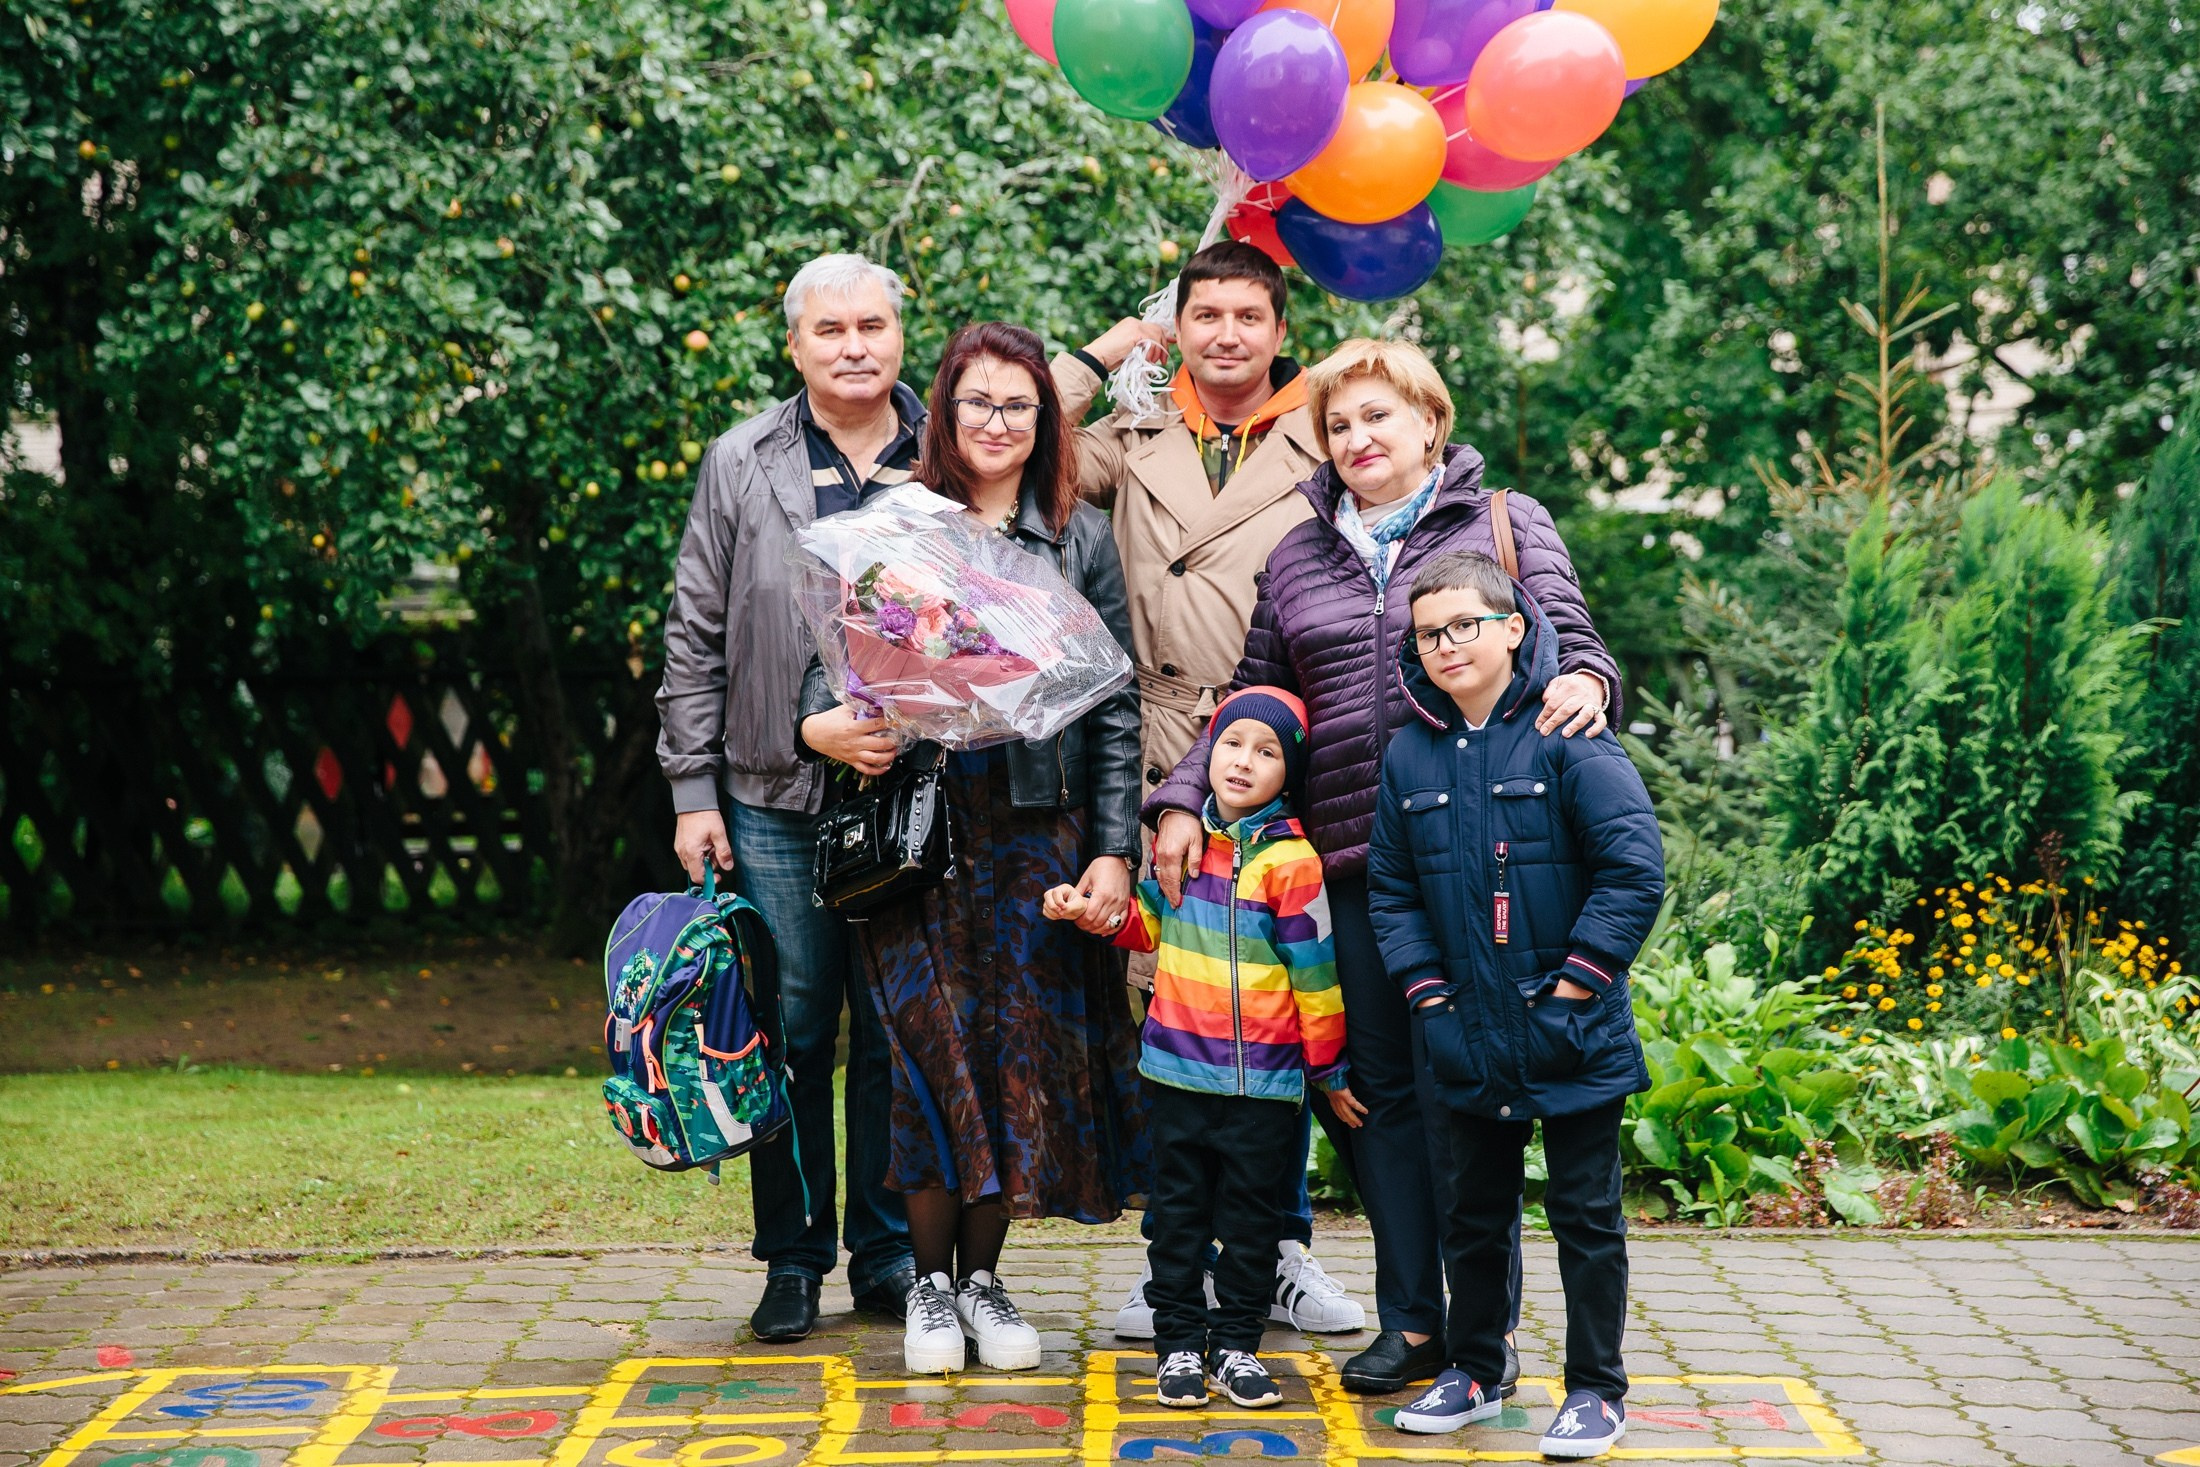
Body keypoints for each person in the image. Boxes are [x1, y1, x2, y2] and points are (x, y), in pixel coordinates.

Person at [1144, 337, 1625, 1397]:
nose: (1356, 438)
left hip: (1481, 858)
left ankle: (1482, 1334)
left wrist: (1588, 681)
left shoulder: (1502, 522)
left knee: (1471, 1091)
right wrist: (1181, 795)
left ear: (1429, 424)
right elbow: (1252, 695)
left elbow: (1574, 641)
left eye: (1377, 417)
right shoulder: (1296, 554)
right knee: (1380, 1101)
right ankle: (1411, 1321)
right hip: (1349, 868)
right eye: (1338, 424)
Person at [799, 321, 1150, 1376]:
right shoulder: (898, 524)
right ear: (944, 413)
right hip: (918, 829)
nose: (996, 423)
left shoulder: (1079, 534)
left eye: (1017, 406)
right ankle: (927, 1286)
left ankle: (983, 1281)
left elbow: (1115, 705)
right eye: (977, 402)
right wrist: (823, 723)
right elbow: (831, 664)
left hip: (1036, 830)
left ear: (1045, 420)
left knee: (1012, 1053)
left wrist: (1115, 850)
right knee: (923, 1054)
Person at [1053, 241, 1365, 1340]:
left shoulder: (1326, 434)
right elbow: (1003, 436)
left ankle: (1279, 1252)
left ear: (1281, 331)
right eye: (1205, 315)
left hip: (1277, 746)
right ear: (1174, 327)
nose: (1227, 334)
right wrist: (1105, 350)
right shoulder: (1131, 432)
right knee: (1175, 1005)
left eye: (1248, 315)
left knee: (1272, 1000)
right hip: (1154, 739)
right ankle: (1176, 1264)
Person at [656, 253, 919, 1342]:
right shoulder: (742, 459)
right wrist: (693, 790)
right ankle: (796, 1257)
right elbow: (695, 632)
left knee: (895, 1030)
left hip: (909, 796)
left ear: (900, 335)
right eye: (830, 330)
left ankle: (890, 1254)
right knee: (795, 1027)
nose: (854, 346)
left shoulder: (943, 451)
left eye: (872, 326)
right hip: (770, 794)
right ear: (796, 345)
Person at [1369, 551, 1663, 1457]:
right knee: (1472, 1214)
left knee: (1585, 1215)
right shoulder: (1409, 751)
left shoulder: (1569, 731)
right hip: (1463, 1029)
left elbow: (1633, 870)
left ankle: (1596, 1390)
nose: (1446, 644)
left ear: (1513, 629)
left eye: (1464, 624)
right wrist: (1430, 1001)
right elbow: (1392, 891)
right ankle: (1474, 1369)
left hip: (1572, 1025)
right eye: (1428, 632)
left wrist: (1574, 989)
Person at [1045, 687, 1359, 1412]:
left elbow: (1316, 979)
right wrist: (1089, 913)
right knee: (1178, 1223)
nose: (1244, 761)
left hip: (1263, 1089)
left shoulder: (1294, 862)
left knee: (1251, 1228)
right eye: (1232, 744)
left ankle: (1239, 1346)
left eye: (1267, 751)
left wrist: (1328, 1070)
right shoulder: (1181, 847)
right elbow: (1143, 926)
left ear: (1290, 771)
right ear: (1209, 753)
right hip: (1177, 1077)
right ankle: (1180, 1345)